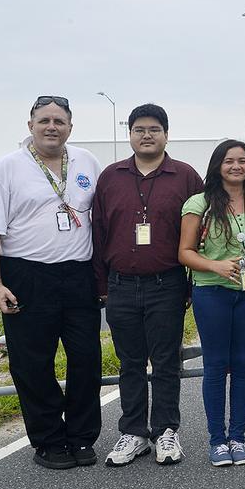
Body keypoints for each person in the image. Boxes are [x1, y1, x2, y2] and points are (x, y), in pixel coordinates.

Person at [0, 96, 102, 469]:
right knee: (33, 363)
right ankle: (49, 439)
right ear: (30, 124)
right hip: (27, 276)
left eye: (59, 121)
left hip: (79, 275)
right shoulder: (6, 168)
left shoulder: (87, 162)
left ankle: (81, 437)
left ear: (70, 127)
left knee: (86, 358)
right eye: (44, 120)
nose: (52, 127)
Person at [92, 104, 203, 466]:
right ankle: (134, 432)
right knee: (130, 362)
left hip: (167, 284)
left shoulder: (185, 176)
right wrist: (101, 285)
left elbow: (203, 233)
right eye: (139, 129)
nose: (147, 135)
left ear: (166, 134)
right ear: (130, 134)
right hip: (121, 285)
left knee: (166, 360)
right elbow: (98, 233)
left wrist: (189, 285)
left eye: (154, 129)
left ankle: (166, 431)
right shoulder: (111, 177)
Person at [178, 140, 245, 466]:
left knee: (244, 365)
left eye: (243, 161)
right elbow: (185, 252)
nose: (236, 166)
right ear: (218, 165)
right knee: (217, 366)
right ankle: (217, 440)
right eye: (229, 161)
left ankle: (238, 436)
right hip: (212, 291)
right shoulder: (199, 203)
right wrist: (215, 265)